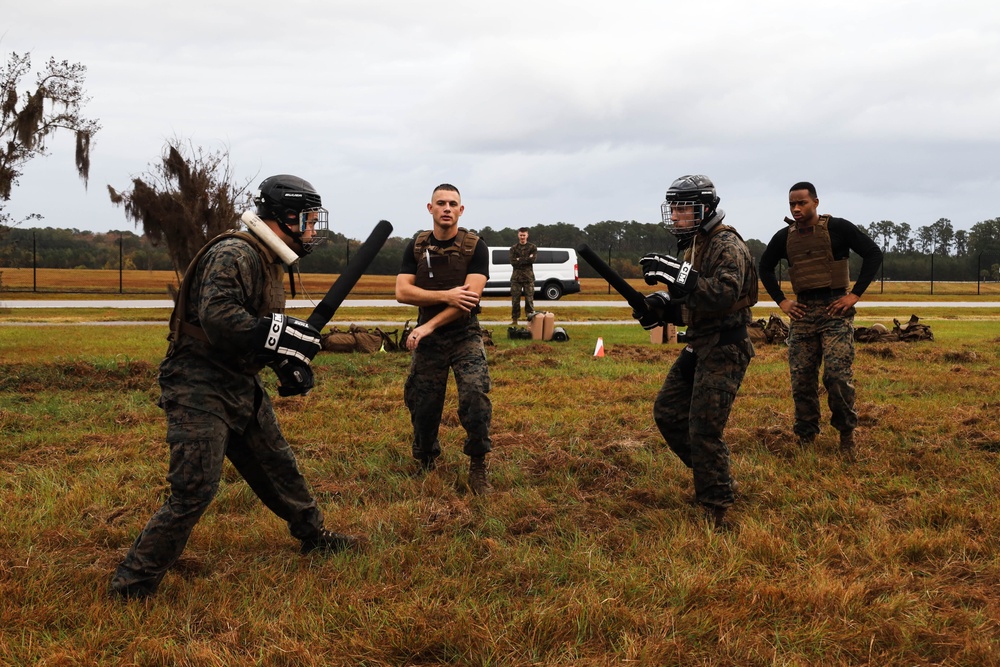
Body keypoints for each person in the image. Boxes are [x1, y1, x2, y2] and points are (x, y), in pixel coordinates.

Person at [110, 174, 361, 600]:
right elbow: (220, 318)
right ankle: (131, 585)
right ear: (283, 217)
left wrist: (285, 361)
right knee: (194, 489)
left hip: (238, 381)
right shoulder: (237, 252)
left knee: (278, 464)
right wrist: (278, 334)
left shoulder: (266, 258)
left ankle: (314, 536)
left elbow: (253, 332)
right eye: (309, 219)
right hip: (198, 384)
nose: (314, 229)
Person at [635, 175, 757, 530]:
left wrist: (677, 276)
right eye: (673, 208)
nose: (675, 216)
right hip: (700, 343)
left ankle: (717, 509)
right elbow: (688, 300)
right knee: (668, 412)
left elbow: (722, 295)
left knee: (704, 429)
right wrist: (660, 305)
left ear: (704, 209)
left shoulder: (726, 245)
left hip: (725, 347)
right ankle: (714, 477)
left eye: (682, 209)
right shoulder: (694, 244)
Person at [758, 181, 883, 459]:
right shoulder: (785, 237)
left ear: (816, 201)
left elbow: (873, 253)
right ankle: (805, 435)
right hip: (803, 314)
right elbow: (764, 267)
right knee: (801, 379)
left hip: (835, 312)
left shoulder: (838, 229)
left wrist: (855, 295)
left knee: (837, 376)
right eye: (792, 204)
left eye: (802, 202)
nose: (796, 208)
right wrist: (783, 301)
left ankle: (846, 434)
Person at [395, 184, 494, 495]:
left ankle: (478, 463)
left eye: (453, 203)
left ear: (461, 210)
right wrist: (445, 295)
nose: (447, 208)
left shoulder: (476, 247)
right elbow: (402, 292)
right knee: (422, 402)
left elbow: (469, 299)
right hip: (429, 339)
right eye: (441, 203)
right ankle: (425, 461)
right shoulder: (415, 245)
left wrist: (428, 326)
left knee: (475, 395)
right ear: (430, 208)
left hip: (464, 334)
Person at [509, 227, 537, 325]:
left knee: (529, 300)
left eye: (524, 235)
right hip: (516, 278)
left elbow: (532, 260)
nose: (522, 237)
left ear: (527, 235)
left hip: (528, 278)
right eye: (520, 235)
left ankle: (531, 320)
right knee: (515, 300)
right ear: (518, 235)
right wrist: (526, 259)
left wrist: (519, 259)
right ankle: (515, 320)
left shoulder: (532, 247)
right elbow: (513, 262)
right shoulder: (513, 248)